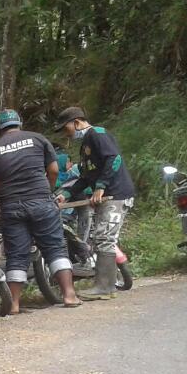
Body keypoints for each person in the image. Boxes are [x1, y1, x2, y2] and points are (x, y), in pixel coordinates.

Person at [0, 109, 81, 311]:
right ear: (18, 124)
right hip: (40, 200)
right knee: (55, 247)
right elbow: (54, 170)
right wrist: (47, 191)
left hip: (11, 206)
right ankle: (69, 295)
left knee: (16, 254)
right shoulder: (38, 139)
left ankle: (13, 303)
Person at [55, 106, 136, 300]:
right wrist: (65, 194)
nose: (67, 134)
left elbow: (114, 159)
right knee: (101, 238)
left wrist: (101, 186)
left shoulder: (97, 134)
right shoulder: (85, 146)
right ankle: (106, 283)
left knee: (105, 237)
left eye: (66, 128)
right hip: (104, 197)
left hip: (115, 194)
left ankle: (105, 287)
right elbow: (84, 177)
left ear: (77, 122)